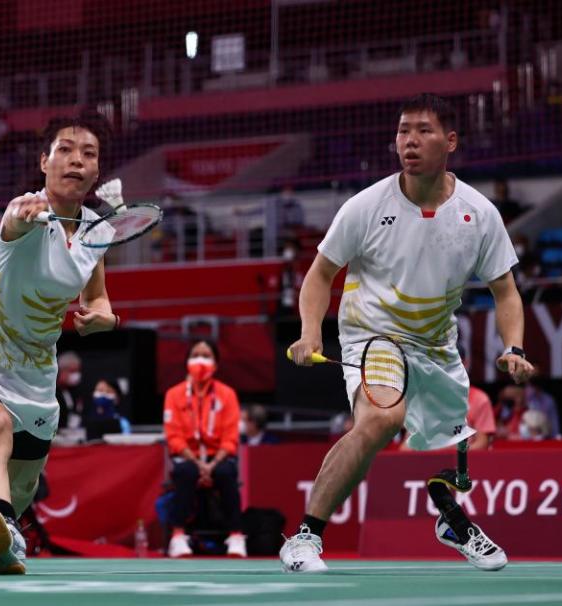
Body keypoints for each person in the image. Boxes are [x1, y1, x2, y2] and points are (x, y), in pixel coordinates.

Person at [281, 94, 534, 574]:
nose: (410, 141)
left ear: (451, 141)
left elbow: (505, 291)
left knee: (466, 440)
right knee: (381, 419)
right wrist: (311, 331)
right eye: (403, 131)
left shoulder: (478, 214)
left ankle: (451, 518)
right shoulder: (366, 206)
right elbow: (318, 275)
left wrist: (514, 347)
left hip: (437, 344)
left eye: (423, 130)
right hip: (374, 334)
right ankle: (305, 537)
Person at [0, 111, 120, 574]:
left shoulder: (99, 229)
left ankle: (3, 535)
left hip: (36, 379)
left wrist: (103, 317)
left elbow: (96, 296)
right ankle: (0, 525)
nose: (76, 160)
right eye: (65, 150)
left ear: (97, 171)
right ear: (44, 161)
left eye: (88, 154)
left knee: (24, 485)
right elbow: (15, 222)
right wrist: (21, 217)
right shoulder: (25, 211)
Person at [163, 340, 247, 558]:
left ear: (215, 364)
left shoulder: (227, 394)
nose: (201, 359)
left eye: (206, 355)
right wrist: (199, 465)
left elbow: (231, 438)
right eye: (196, 354)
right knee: (184, 472)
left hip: (217, 458)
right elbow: (174, 437)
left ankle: (236, 536)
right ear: (187, 361)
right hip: (188, 458)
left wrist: (211, 465)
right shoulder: (174, 394)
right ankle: (178, 536)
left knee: (227, 473)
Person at [458, 344, 495, 450]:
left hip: (462, 464)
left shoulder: (480, 399)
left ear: (465, 364)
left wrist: (453, 456)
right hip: (430, 462)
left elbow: (482, 444)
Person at [56, 351, 84, 431]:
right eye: (72, 371)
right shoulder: (51, 393)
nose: (76, 375)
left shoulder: (74, 392)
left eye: (78, 371)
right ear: (60, 370)